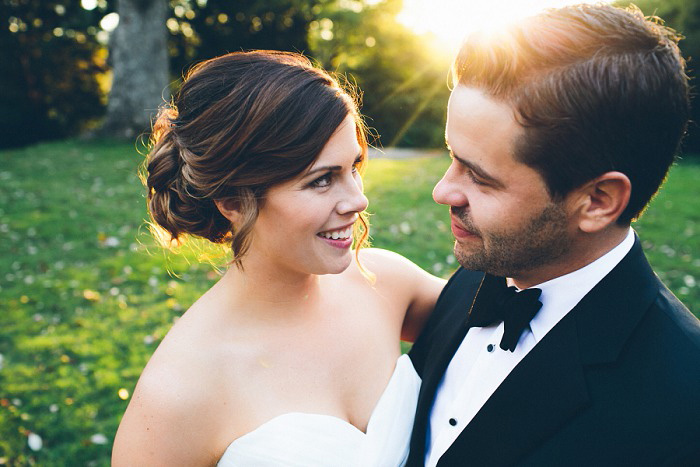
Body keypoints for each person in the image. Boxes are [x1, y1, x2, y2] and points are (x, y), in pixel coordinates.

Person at [111, 50, 445, 466]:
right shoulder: (177, 394)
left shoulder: (387, 283)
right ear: (232, 200)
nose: (358, 199)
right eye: (322, 180)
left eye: (353, 167)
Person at [407, 4, 700, 466]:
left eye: (479, 177)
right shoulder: (473, 278)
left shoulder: (684, 406)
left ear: (598, 201)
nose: (442, 190)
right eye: (451, 155)